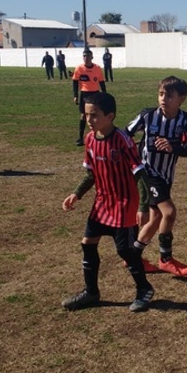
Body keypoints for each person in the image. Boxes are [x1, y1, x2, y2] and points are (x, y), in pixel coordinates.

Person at [61, 92, 155, 312]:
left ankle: (144, 289)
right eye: (86, 115)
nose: (88, 120)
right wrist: (76, 194)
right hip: (102, 203)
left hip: (124, 203)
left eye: (94, 115)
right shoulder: (90, 140)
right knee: (88, 243)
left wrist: (143, 206)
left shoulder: (122, 140)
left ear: (110, 116)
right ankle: (91, 292)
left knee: (124, 250)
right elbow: (91, 173)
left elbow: (140, 173)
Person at [126, 76, 187, 276]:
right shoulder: (147, 115)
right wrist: (132, 161)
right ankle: (165, 258)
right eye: (161, 94)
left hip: (165, 175)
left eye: (170, 95)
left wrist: (173, 147)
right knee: (169, 212)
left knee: (156, 217)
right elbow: (125, 134)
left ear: (182, 98)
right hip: (147, 173)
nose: (164, 98)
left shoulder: (186, 120)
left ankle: (133, 256)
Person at [72, 48, 106, 146]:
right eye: (84, 56)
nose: (86, 58)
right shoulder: (79, 68)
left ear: (92, 57)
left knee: (97, 115)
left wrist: (104, 94)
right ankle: (80, 138)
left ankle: (100, 135)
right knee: (83, 115)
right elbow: (75, 81)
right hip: (84, 94)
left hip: (95, 93)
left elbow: (101, 82)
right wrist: (75, 95)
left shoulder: (97, 68)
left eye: (87, 56)